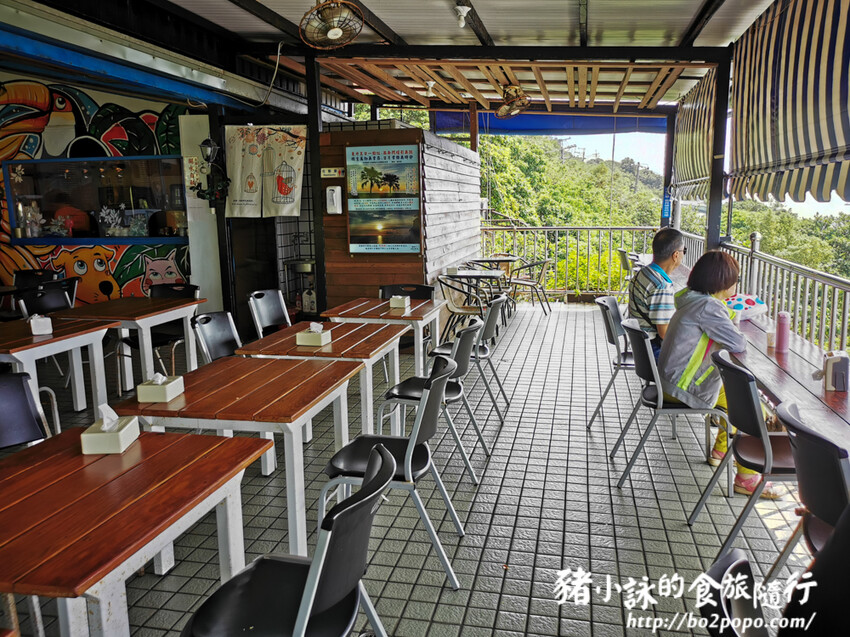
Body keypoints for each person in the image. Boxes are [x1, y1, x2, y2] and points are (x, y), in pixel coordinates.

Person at [657, 251, 780, 498]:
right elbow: (737, 344)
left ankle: (722, 451)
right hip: (681, 388)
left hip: (668, 381)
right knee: (753, 408)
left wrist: (728, 314)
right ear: (722, 282)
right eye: (734, 280)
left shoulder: (693, 299)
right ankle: (746, 477)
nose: (736, 285)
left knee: (738, 395)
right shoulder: (708, 307)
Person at [628, 227, 686, 358]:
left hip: (641, 348)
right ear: (676, 255)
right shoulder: (661, 286)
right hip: (652, 352)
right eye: (684, 251)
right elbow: (664, 333)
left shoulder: (643, 273)